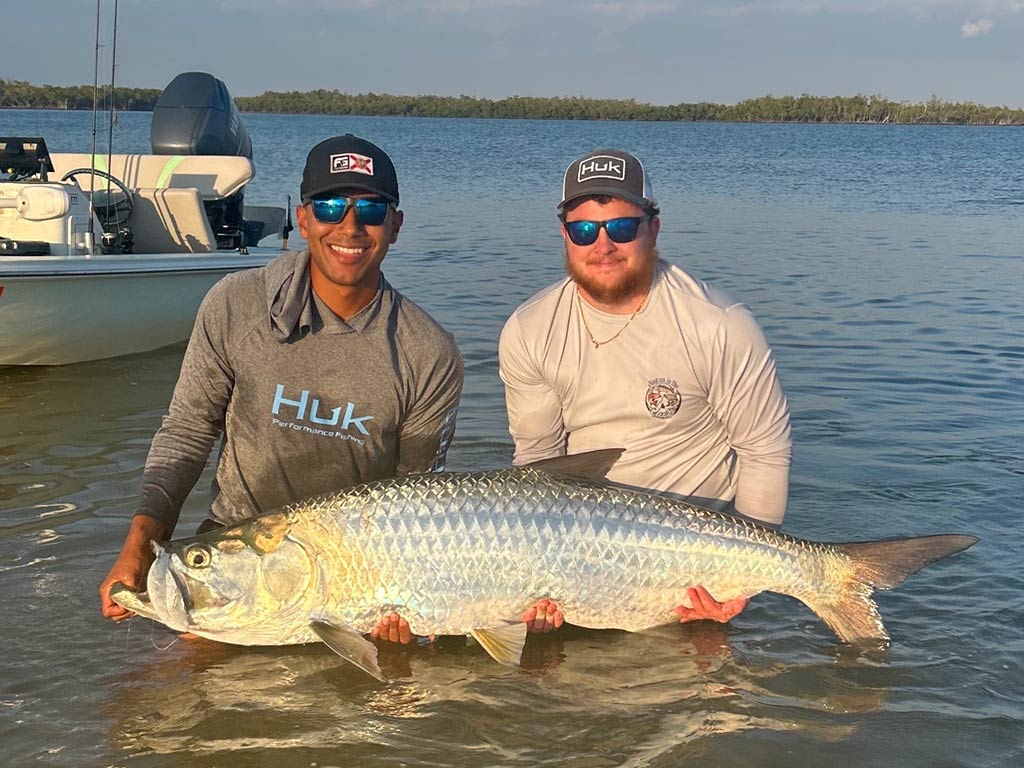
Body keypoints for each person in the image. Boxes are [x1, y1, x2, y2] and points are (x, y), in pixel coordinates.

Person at [99, 134, 464, 644]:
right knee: (151, 710)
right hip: (237, 562)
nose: (350, 226)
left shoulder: (429, 352)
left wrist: (408, 601)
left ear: (395, 226)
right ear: (304, 217)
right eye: (331, 206)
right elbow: (186, 430)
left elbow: (420, 498)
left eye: (372, 210)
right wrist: (141, 541)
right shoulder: (235, 304)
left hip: (363, 577)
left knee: (394, 704)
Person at [499, 148, 792, 628]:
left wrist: (742, 583)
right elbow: (538, 463)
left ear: (653, 229)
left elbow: (764, 452)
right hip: (578, 553)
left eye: (621, 228)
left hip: (695, 564)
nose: (603, 245)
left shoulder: (718, 324)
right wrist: (524, 573)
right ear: (565, 235)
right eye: (584, 230)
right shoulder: (529, 330)